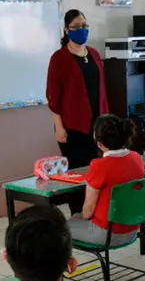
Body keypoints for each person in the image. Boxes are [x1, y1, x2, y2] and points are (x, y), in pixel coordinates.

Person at [46, 9, 109, 173]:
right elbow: (53, 96)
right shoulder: (59, 58)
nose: (81, 29)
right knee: (78, 172)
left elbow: (101, 90)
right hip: (74, 126)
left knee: (98, 171)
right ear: (66, 30)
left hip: (98, 125)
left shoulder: (94, 54)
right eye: (76, 26)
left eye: (84, 25)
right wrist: (59, 128)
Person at [67, 114, 144, 247]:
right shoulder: (137, 158)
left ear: (99, 143)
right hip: (132, 229)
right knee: (74, 219)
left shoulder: (99, 166)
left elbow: (88, 212)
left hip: (106, 234)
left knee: (58, 228)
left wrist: (80, 217)